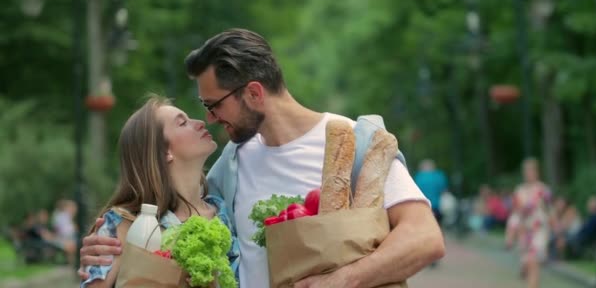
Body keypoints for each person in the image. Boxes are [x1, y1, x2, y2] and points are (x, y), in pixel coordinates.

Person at [79, 29, 445, 288]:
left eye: (213, 105)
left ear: (253, 93)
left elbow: (424, 238)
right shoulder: (231, 163)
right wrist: (105, 248)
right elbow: (168, 205)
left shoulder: (356, 142)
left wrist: (343, 280)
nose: (208, 118)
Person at [79, 95, 239, 287]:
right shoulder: (123, 224)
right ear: (164, 152)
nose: (199, 123)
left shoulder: (223, 214)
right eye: (183, 123)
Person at [510, 158, 552, 288]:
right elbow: (515, 213)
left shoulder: (543, 190)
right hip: (524, 232)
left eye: (532, 170)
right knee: (528, 265)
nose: (529, 173)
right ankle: (524, 270)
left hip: (539, 231)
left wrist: (556, 231)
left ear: (537, 172)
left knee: (533, 263)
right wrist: (511, 234)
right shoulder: (519, 191)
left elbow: (550, 210)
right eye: (527, 171)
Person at [414, 159, 448, 225]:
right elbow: (444, 191)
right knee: (438, 226)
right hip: (437, 207)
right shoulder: (439, 175)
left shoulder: (418, 177)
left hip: (423, 207)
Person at [51, 199, 78, 267]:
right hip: (63, 237)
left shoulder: (65, 216)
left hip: (68, 236)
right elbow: (58, 229)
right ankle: (71, 264)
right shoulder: (60, 215)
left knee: (72, 245)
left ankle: (71, 263)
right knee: (70, 246)